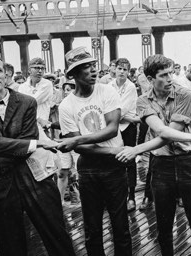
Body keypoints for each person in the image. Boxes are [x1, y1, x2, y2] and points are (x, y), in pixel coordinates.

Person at [115, 54, 191, 256]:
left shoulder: (184, 94)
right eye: (163, 75)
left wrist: (136, 149)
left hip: (187, 162)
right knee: (163, 227)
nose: (170, 79)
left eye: (171, 73)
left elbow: (168, 133)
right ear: (150, 79)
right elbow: (161, 131)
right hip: (160, 165)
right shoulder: (142, 100)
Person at [0, 53, 75, 256]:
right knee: (9, 246)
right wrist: (34, 143)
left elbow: (24, 140)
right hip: (0, 186)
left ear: (6, 75)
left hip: (36, 177)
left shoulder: (26, 102)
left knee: (57, 239)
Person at [57, 47, 132, 255]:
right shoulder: (65, 106)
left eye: (93, 66)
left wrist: (78, 139)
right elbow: (79, 148)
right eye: (84, 68)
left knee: (120, 226)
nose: (92, 71)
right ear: (72, 75)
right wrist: (109, 151)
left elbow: (111, 129)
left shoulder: (107, 90)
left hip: (113, 168)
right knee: (92, 228)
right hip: (89, 168)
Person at [108, 58, 140, 212]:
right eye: (119, 68)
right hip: (113, 128)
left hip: (127, 128)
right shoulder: (108, 86)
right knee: (113, 159)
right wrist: (127, 117)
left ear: (129, 72)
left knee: (129, 159)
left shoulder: (131, 87)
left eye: (125, 70)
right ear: (115, 69)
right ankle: (116, 195)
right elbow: (105, 108)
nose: (122, 72)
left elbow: (122, 109)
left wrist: (126, 117)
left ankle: (132, 197)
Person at [19, 58, 53, 138]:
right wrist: (38, 119)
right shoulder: (22, 87)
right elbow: (21, 106)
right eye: (37, 68)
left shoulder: (47, 84)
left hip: (42, 127)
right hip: (27, 127)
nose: (40, 71)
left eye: (42, 68)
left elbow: (31, 102)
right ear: (29, 70)